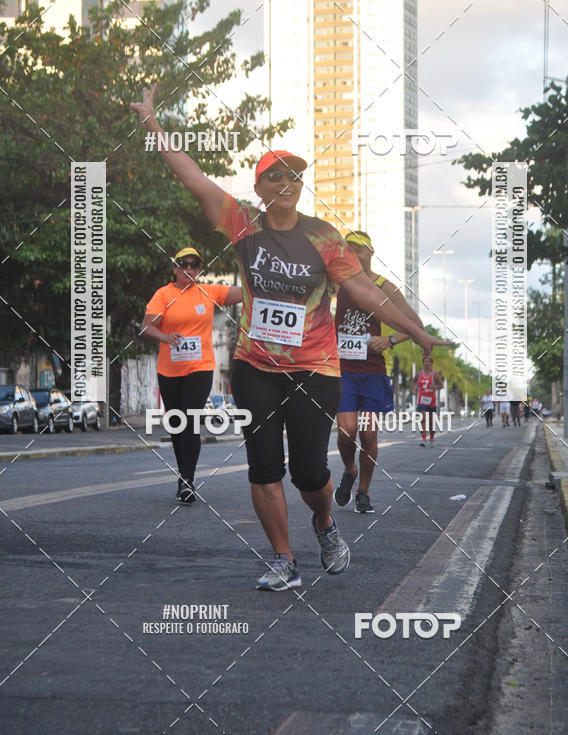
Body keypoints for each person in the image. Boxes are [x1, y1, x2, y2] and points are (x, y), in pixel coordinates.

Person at [131, 83, 454, 591]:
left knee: (307, 473)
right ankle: (284, 559)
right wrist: (152, 122)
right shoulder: (240, 222)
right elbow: (190, 175)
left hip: (315, 369)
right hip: (255, 365)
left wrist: (417, 332)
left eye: (295, 174)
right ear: (260, 188)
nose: (287, 181)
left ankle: (324, 524)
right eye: (276, 174)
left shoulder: (325, 236)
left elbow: (367, 293)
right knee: (262, 468)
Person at [141, 247, 242, 503]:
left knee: (191, 419)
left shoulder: (208, 291)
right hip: (169, 369)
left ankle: (187, 480)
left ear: (199, 269)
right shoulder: (163, 295)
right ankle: (183, 473)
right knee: (177, 423)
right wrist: (165, 337)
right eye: (183, 264)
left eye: (194, 265)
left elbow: (244, 293)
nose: (189, 269)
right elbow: (146, 328)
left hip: (200, 367)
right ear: (174, 268)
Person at [333, 230, 422, 513]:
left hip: (372, 370)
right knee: (346, 432)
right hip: (343, 369)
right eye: (349, 250)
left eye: (359, 249)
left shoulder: (385, 286)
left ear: (371, 253)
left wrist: (391, 339)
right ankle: (350, 469)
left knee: (368, 435)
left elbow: (414, 324)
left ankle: (364, 492)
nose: (353, 254)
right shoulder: (339, 282)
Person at [412, 355, 444, 446]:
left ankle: (432, 437)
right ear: (423, 363)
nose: (427, 363)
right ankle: (423, 439)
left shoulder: (435, 374)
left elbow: (441, 385)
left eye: (428, 362)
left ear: (431, 363)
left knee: (431, 421)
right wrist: (414, 389)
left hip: (431, 400)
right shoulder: (419, 373)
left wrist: (435, 387)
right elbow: (413, 381)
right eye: (425, 361)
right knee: (422, 419)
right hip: (421, 399)